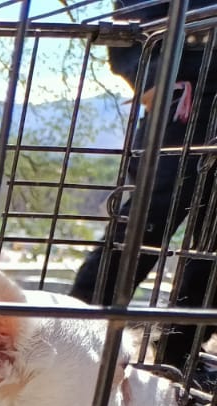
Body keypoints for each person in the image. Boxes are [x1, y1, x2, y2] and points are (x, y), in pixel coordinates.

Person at [72, 1, 217, 380]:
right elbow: (133, 12)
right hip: (185, 83)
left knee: (213, 239)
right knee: (147, 219)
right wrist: (149, 75)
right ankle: (73, 333)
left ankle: (179, 350)